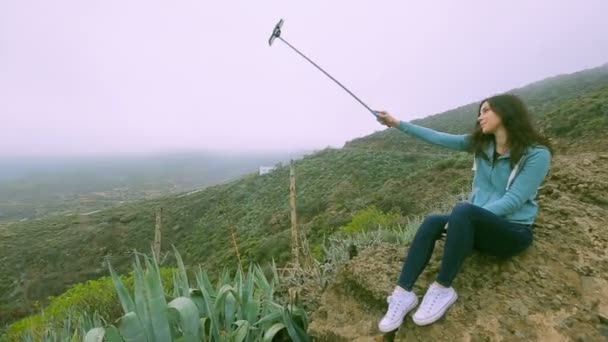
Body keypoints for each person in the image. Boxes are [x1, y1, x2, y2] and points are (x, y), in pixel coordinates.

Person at [374, 94, 552, 332]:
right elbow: (438, 138)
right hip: (477, 228)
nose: (480, 116)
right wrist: (397, 123)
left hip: (512, 233)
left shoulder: (536, 153)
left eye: (486, 110)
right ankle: (403, 293)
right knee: (432, 221)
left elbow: (513, 201)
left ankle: (443, 287)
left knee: (463, 210)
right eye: (480, 111)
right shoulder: (482, 145)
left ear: (507, 112)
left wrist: (463, 219)